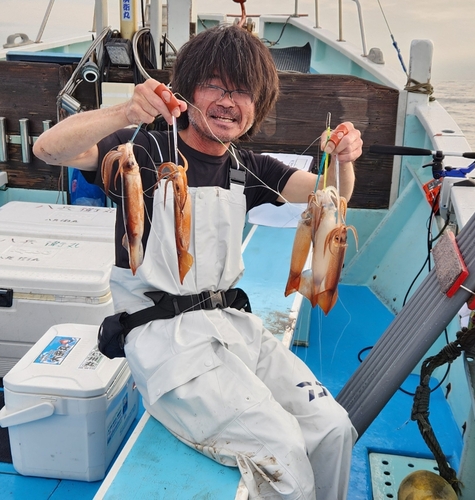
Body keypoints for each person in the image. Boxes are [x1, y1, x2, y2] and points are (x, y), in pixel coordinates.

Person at [34, 24, 363, 500]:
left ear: (257, 106)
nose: (229, 101)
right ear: (187, 91)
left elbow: (332, 199)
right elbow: (49, 150)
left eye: (243, 91)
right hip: (167, 343)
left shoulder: (247, 167)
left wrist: (343, 158)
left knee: (334, 429)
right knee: (284, 451)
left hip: (232, 327)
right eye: (214, 85)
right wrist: (127, 110)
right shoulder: (141, 150)